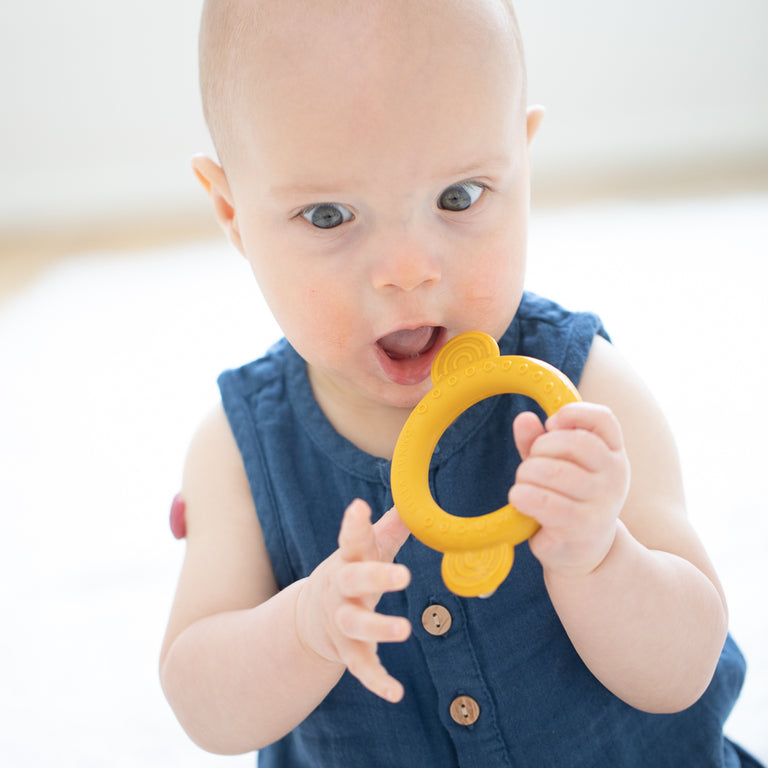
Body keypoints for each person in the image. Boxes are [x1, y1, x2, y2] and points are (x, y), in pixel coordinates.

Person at [159, 1, 763, 765]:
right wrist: (306, 626)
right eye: (329, 215)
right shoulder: (238, 451)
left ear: (523, 163)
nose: (409, 269)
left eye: (458, 198)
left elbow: (684, 670)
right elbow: (204, 707)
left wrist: (600, 557)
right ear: (232, 213)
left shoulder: (579, 393)